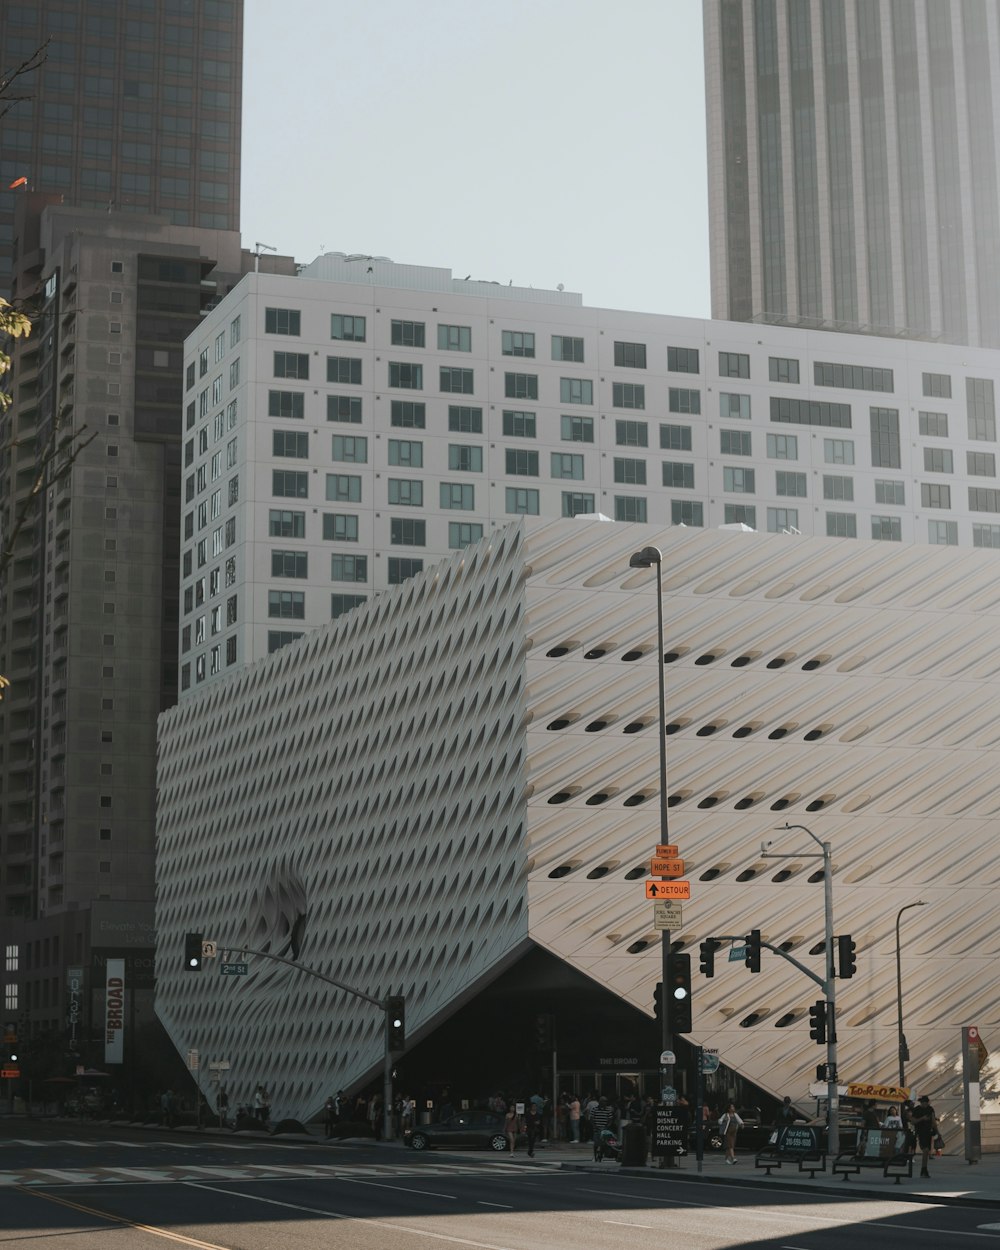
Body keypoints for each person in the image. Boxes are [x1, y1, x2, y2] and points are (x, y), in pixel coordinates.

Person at [912, 1094, 937, 1178]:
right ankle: (924, 1169)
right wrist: (922, 1118)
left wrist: (936, 1130)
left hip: (928, 1132)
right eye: (924, 1103)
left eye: (926, 1103)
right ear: (921, 1102)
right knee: (925, 1150)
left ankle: (924, 1169)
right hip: (920, 1132)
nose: (925, 1104)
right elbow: (913, 1121)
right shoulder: (916, 1110)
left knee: (927, 1151)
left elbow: (933, 1120)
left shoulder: (930, 1109)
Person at [590, 1096, 615, 1161]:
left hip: (604, 1128)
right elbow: (592, 1119)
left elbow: (610, 1119)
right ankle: (595, 1156)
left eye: (606, 1101)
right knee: (596, 1143)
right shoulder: (594, 1109)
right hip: (596, 1128)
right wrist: (595, 1126)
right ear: (600, 1102)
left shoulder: (608, 1110)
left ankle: (601, 1155)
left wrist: (607, 1126)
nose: (605, 1103)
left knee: (604, 1143)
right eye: (604, 1101)